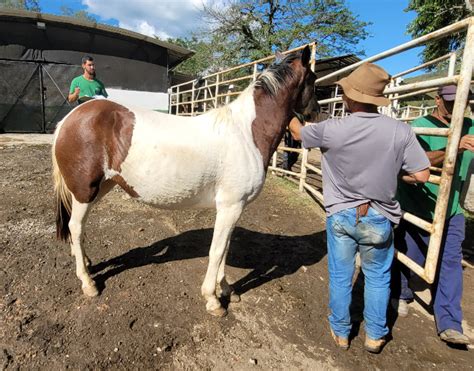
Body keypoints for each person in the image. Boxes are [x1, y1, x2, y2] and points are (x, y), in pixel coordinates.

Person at [289, 63, 430, 353]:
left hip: (341, 214)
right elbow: (422, 175)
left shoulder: (332, 129)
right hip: (380, 217)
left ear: (351, 98)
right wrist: (393, 172)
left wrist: (287, 110)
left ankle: (341, 333)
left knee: (341, 276)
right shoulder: (400, 131)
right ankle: (375, 335)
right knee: (378, 277)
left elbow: (300, 134)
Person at [392, 85, 474, 346]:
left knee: (450, 259)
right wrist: (455, 148)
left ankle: (450, 322)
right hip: (420, 202)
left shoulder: (470, 125)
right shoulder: (420, 125)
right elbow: (417, 160)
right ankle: (401, 291)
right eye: (450, 102)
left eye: (462, 102)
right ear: (437, 100)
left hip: (452, 206)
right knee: (412, 252)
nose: (455, 108)